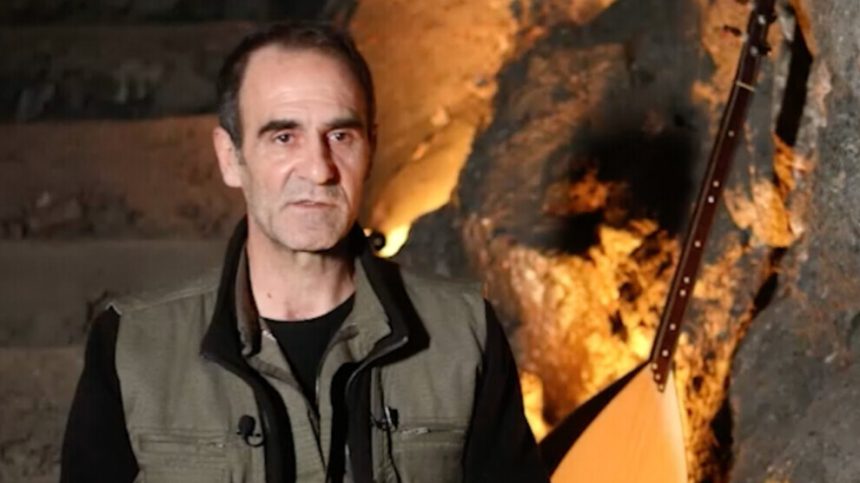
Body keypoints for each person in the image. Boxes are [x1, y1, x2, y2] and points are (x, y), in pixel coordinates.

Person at [60, 21, 547, 483]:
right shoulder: (133, 347)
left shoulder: (464, 334)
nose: (318, 169)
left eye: (340, 136)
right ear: (230, 157)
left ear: (371, 149)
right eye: (283, 137)